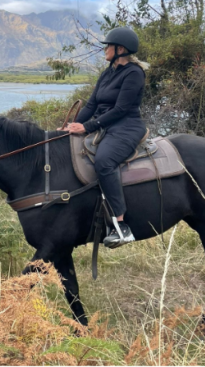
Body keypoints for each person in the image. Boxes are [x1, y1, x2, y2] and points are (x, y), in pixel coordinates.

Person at [61, 26, 148, 248]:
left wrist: (87, 127)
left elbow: (121, 109)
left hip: (126, 127)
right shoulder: (107, 73)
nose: (105, 50)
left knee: (104, 161)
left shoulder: (134, 73)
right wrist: (71, 126)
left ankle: (121, 225)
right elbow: (91, 105)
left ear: (120, 49)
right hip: (105, 126)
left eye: (108, 46)